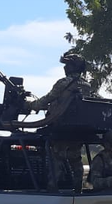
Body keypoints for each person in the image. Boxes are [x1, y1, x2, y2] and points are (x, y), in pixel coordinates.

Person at [28, 51, 93, 190]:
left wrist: (30, 105)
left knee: (56, 161)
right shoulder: (87, 86)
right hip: (77, 131)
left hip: (60, 128)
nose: (65, 67)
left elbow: (48, 98)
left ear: (72, 67)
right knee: (76, 161)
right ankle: (78, 189)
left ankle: (52, 191)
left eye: (67, 64)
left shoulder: (64, 83)